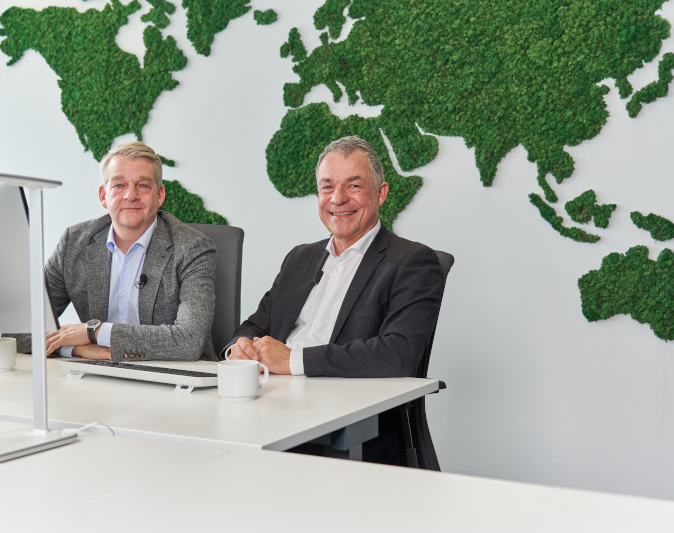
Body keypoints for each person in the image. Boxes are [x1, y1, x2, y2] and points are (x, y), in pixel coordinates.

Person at [224, 135, 444, 464]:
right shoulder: (299, 258)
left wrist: (292, 360)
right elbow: (254, 326)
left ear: (381, 193)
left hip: (344, 429)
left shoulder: (411, 262)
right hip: (267, 411)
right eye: (327, 187)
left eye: (353, 185)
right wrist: (239, 348)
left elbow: (398, 355)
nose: (338, 199)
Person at [39, 141, 217, 362]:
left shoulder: (193, 248)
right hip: (97, 371)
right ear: (103, 196)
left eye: (143, 185)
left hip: (174, 376)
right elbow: (19, 328)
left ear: (160, 195)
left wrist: (95, 332)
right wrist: (75, 349)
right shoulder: (73, 244)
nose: (131, 195)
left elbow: (189, 341)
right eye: (119, 185)